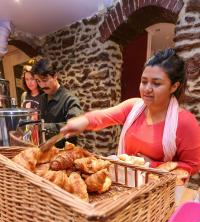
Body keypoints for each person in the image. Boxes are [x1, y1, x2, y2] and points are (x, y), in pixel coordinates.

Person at [60, 48, 200, 176]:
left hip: (159, 193)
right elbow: (103, 117)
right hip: (126, 183)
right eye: (144, 81)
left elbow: (192, 165)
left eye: (156, 83)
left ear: (174, 86)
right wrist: (83, 121)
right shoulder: (133, 107)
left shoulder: (185, 122)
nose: (147, 89)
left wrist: (153, 166)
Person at [31, 58, 82, 146]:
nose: (42, 85)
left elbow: (74, 127)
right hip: (44, 151)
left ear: (55, 75)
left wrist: (42, 127)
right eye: (38, 81)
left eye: (45, 80)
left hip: (63, 154)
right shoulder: (42, 98)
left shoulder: (70, 100)